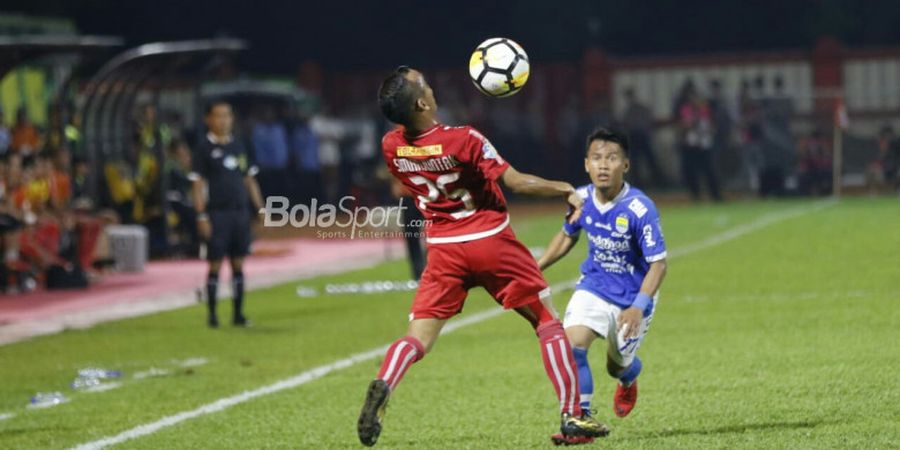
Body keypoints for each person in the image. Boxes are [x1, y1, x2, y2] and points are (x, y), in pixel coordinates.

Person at [357, 66, 608, 447]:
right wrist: (565, 189)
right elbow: (517, 181)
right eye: (425, 83)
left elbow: (412, 181)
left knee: (418, 337)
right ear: (422, 102)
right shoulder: (464, 139)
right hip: (490, 240)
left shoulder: (391, 145)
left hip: (442, 250)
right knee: (545, 321)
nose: (431, 84)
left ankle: (384, 382)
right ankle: (573, 415)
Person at [537, 128, 668, 425]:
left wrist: (638, 306)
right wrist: (536, 268)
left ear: (626, 165)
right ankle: (580, 421)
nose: (604, 165)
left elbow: (659, 265)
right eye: (597, 158)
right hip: (593, 287)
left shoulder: (640, 208)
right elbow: (567, 235)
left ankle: (628, 378)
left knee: (616, 367)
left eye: (611, 158)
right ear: (586, 164)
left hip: (634, 298)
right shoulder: (581, 198)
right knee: (572, 348)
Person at [190, 101, 264, 328]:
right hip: (217, 213)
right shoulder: (203, 149)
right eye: (218, 116)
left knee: (238, 262)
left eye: (227, 116)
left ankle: (238, 314)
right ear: (208, 119)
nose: (223, 120)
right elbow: (198, 184)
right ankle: (212, 315)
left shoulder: (240, 145)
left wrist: (260, 208)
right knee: (214, 263)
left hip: (239, 212)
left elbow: (249, 179)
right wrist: (201, 215)